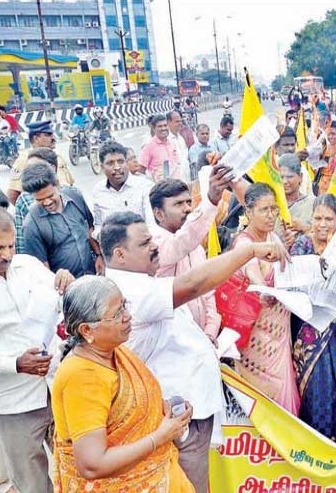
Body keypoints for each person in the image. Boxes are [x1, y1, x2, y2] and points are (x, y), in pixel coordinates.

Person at [100, 194, 288, 493]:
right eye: (145, 243)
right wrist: (248, 252)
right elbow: (194, 283)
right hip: (179, 412)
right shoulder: (134, 292)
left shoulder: (137, 283)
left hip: (182, 407)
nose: (154, 246)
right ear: (120, 254)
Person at [51, 276, 207, 493]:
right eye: (117, 313)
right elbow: (91, 464)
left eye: (125, 306)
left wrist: (162, 409)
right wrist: (160, 436)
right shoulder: (83, 377)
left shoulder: (114, 352)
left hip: (155, 484)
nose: (127, 316)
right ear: (86, 331)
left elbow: (126, 409)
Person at [0, 205, 70, 493]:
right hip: (12, 403)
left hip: (56, 385)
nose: (7, 255)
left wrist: (66, 283)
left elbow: (59, 303)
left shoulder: (30, 266)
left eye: (10, 246)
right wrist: (14, 364)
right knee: (34, 483)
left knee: (77, 465)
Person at [291, 194, 336, 446]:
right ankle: (314, 443)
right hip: (306, 330)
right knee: (314, 387)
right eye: (317, 218)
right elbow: (292, 283)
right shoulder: (300, 247)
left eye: (329, 218)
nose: (322, 224)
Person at [230, 183, 300, 414]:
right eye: (264, 210)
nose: (271, 215)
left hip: (279, 330)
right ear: (248, 212)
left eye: (274, 209)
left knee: (284, 384)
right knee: (263, 392)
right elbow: (253, 274)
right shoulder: (244, 243)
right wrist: (264, 290)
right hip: (258, 335)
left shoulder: (272, 236)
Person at [149, 173, 242, 342]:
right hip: (176, 341)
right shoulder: (155, 245)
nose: (187, 208)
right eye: (178, 204)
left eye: (188, 202)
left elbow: (207, 292)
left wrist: (210, 333)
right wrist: (211, 200)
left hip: (204, 338)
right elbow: (181, 243)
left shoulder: (196, 247)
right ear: (159, 214)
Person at [21, 163, 103, 278]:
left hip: (92, 275)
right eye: (40, 200)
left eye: (50, 196)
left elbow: (89, 228)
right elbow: (41, 269)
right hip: (65, 289)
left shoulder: (75, 196)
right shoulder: (31, 226)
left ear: (57, 185)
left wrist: (99, 255)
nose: (47, 203)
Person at [91, 141, 155, 241]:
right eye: (110, 163)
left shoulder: (145, 186)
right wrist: (103, 236)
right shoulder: (98, 191)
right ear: (102, 168)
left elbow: (152, 225)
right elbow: (98, 226)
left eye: (121, 161)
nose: (117, 167)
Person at [8, 120, 75, 205]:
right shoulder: (25, 160)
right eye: (48, 135)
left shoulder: (57, 157)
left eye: (52, 134)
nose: (53, 138)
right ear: (36, 138)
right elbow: (13, 195)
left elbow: (70, 184)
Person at [280, 153, 315, 248]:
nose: (285, 182)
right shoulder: (271, 205)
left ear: (301, 177)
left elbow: (324, 234)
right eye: (281, 177)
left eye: (290, 177)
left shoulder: (313, 204)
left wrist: (305, 227)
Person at [139, 114, 182, 182]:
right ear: (153, 128)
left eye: (165, 125)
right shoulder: (148, 147)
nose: (163, 128)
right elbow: (141, 170)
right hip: (161, 188)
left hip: (177, 185)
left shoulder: (172, 143)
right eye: (160, 126)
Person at [167, 110, 191, 183]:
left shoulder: (181, 138)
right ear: (168, 122)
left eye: (181, 121)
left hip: (186, 179)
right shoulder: (167, 140)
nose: (180, 124)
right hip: (174, 182)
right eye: (177, 121)